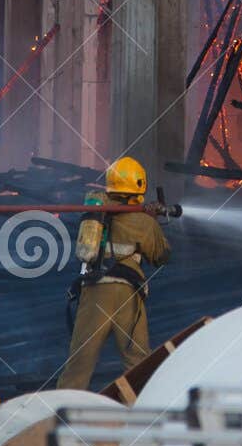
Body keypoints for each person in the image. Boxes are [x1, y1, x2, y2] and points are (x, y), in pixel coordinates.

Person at [58, 157, 170, 390]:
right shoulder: (143, 220)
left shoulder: (95, 210)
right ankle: (144, 416)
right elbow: (162, 257)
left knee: (79, 364)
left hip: (94, 290)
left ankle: (60, 418)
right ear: (139, 185)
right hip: (127, 293)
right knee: (138, 362)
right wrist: (154, 222)